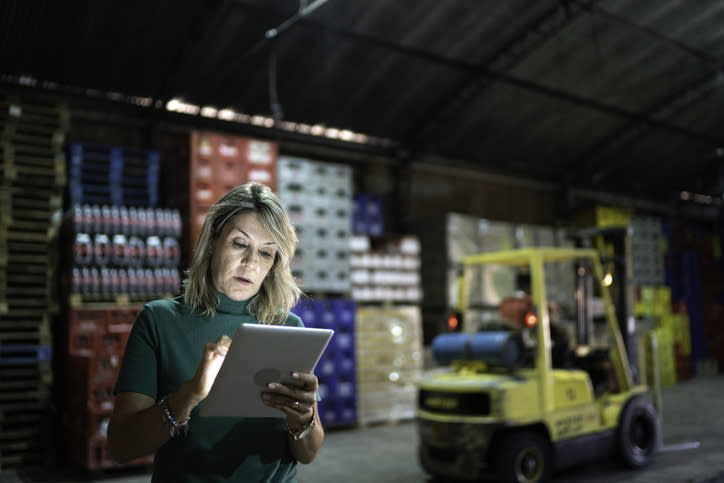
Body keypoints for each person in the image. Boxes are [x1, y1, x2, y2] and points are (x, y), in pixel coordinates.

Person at [107, 182, 324, 482]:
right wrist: (189, 395)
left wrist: (303, 418)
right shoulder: (159, 321)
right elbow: (120, 446)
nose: (250, 262)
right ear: (212, 242)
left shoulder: (288, 329)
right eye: (239, 244)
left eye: (265, 253)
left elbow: (308, 454)